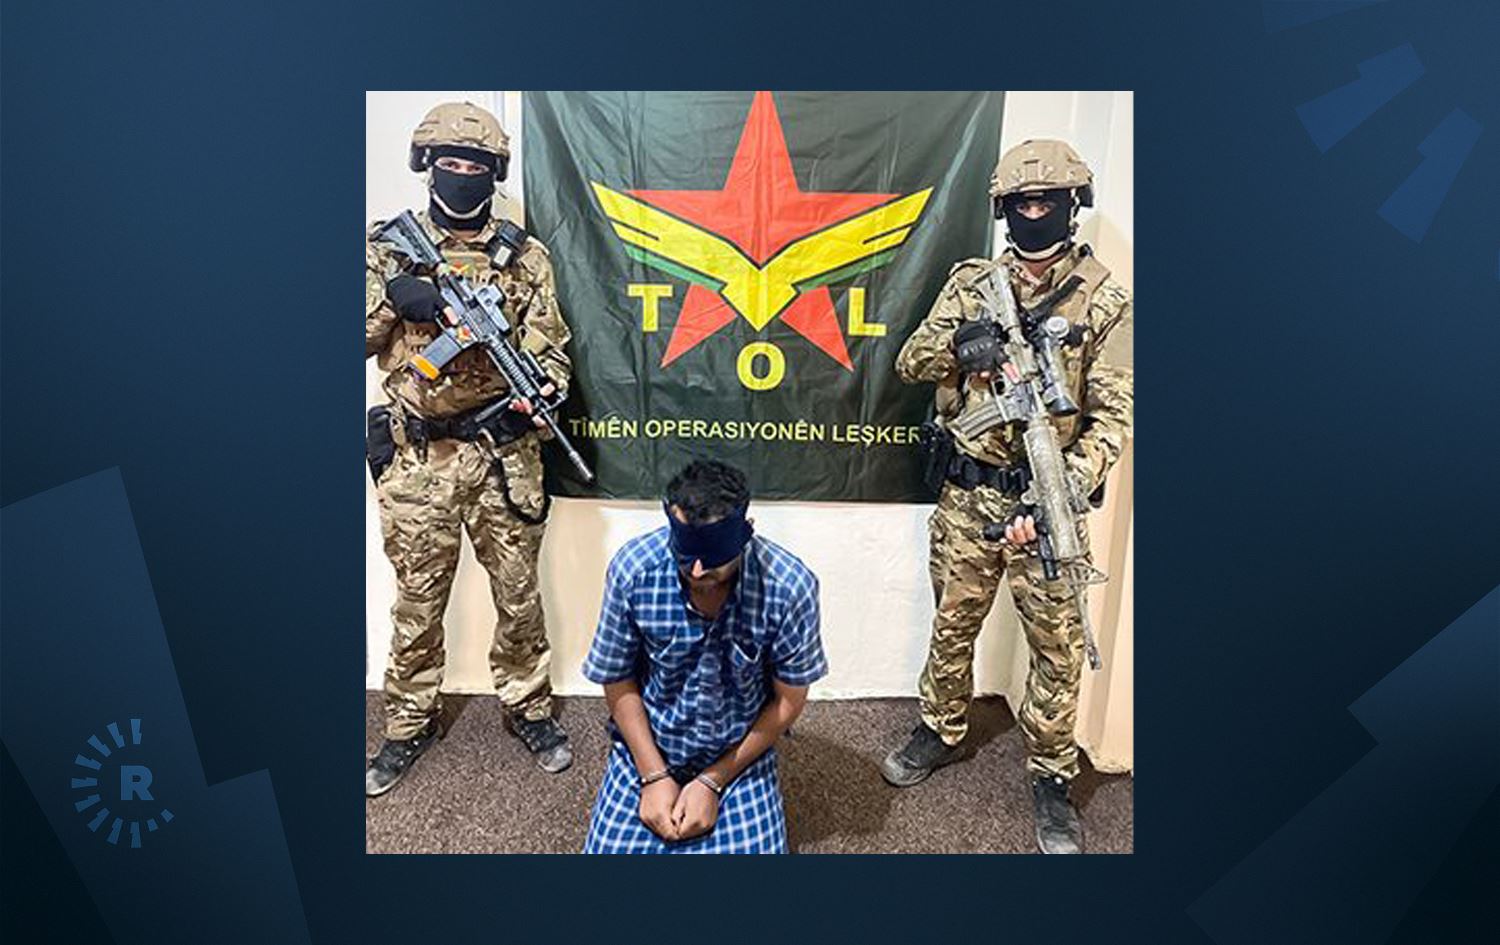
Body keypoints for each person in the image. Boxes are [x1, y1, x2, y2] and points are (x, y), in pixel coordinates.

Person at [883, 139, 1133, 853]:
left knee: (1058, 648)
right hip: (968, 499)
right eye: (1022, 202)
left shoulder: (1106, 301)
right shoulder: (973, 285)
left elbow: (1114, 418)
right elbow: (909, 361)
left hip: (1046, 503)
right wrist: (964, 346)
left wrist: (1057, 494)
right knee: (952, 622)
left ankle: (1052, 775)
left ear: (1074, 204)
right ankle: (941, 727)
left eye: (1048, 200)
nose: (1034, 211)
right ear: (1002, 209)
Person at [364, 101, 574, 796]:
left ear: (494, 172)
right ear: (427, 166)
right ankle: (407, 721)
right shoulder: (387, 249)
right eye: (450, 162)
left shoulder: (525, 257)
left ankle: (528, 707)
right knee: (417, 600)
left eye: (476, 165)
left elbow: (554, 352)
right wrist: (399, 299)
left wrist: (538, 393)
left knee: (519, 594)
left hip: (502, 453)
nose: (462, 174)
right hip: (418, 458)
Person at [580, 460, 827, 853]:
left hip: (739, 753)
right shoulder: (633, 571)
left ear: (745, 532)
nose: (696, 571)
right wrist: (653, 775)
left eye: (712, 556)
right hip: (648, 744)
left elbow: (788, 700)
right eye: (686, 553)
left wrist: (714, 779)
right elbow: (617, 677)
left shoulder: (789, 587)